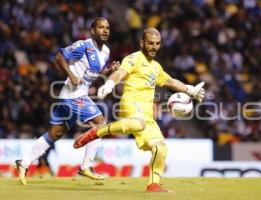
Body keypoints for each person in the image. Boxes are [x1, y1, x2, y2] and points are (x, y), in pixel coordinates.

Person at [73, 28, 205, 192]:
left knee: (160, 148)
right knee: (137, 123)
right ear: (142, 43)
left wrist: (189, 89)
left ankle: (153, 185)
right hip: (130, 105)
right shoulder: (134, 58)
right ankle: (96, 133)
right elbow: (120, 72)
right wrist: (109, 84)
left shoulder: (156, 67)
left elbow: (170, 81)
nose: (154, 47)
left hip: (147, 115)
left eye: (157, 44)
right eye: (150, 43)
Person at [15, 17, 119, 185]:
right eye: (101, 27)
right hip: (73, 95)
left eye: (107, 27)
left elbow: (94, 74)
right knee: (101, 123)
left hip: (73, 96)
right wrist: (71, 75)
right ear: (93, 31)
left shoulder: (105, 51)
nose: (105, 30)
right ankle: (86, 167)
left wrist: (109, 70)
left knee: (55, 133)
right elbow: (59, 56)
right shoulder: (83, 46)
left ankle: (24, 162)